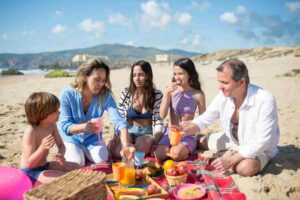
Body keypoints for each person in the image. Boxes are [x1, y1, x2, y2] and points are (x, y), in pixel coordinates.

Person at [181, 58, 280, 176]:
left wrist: (230, 161)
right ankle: (231, 152)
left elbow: (262, 141)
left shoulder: (264, 99)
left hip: (260, 147)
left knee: (245, 168)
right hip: (233, 140)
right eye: (219, 81)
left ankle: (232, 154)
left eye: (225, 83)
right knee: (200, 142)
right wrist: (182, 133)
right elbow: (205, 118)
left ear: (242, 82)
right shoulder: (223, 96)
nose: (220, 87)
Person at [58, 58, 132, 167]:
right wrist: (84, 127)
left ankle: (83, 150)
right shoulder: (67, 95)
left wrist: (126, 146)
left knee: (102, 159)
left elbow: (119, 121)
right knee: (77, 163)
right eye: (97, 79)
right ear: (84, 76)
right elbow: (65, 126)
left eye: (103, 80)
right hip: (71, 137)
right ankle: (77, 150)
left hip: (92, 138)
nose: (101, 84)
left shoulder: (105, 95)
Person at [20, 92, 79, 185]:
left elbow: (60, 145)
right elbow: (28, 164)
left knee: (76, 167)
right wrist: (42, 148)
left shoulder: (52, 125)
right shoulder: (31, 131)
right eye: (56, 111)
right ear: (43, 114)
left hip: (44, 165)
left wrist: (61, 154)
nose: (59, 112)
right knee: (67, 179)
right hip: (30, 172)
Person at [108, 60, 164, 159]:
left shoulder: (157, 95)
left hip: (147, 132)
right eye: (134, 75)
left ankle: (134, 152)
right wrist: (117, 135)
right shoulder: (126, 93)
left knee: (139, 151)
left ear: (148, 75)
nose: (137, 79)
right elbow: (120, 117)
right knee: (118, 152)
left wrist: (156, 141)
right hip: (129, 130)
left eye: (141, 75)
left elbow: (158, 119)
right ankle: (130, 149)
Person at [155, 58, 206, 161]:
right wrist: (166, 94)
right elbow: (162, 115)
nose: (177, 77)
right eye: (175, 74)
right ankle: (179, 149)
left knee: (176, 154)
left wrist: (191, 122)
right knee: (159, 155)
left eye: (181, 74)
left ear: (190, 74)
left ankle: (187, 147)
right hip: (170, 133)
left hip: (187, 133)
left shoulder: (198, 95)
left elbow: (204, 119)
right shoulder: (171, 92)